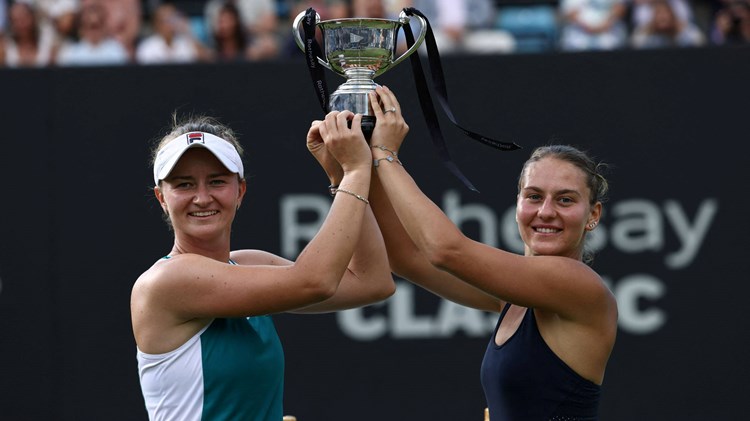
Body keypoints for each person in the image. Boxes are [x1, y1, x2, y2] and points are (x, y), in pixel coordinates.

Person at [366, 86, 618, 420]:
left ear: (594, 215)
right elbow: (406, 256)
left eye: (565, 199)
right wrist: (358, 166)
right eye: (533, 196)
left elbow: (445, 250)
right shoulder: (512, 299)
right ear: (517, 204)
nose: (545, 211)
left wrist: (386, 155)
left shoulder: (577, 284)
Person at [131, 113, 394, 419]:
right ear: (162, 198)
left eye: (216, 181)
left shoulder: (247, 263)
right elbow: (315, 281)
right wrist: (355, 170)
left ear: (240, 191)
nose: (202, 198)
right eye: (184, 185)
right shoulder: (167, 280)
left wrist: (340, 176)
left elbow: (372, 282)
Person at [135, 2, 211, 64]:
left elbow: (208, 58)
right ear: (157, 24)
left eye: (173, 19)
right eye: (166, 20)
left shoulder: (185, 43)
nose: (171, 24)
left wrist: (187, 33)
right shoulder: (147, 47)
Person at [631, 0, 706, 48]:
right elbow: (635, 44)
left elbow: (700, 41)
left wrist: (681, 27)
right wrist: (649, 29)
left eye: (665, 14)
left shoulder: (682, 30)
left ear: (672, 15)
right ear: (653, 17)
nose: (662, 18)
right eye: (659, 14)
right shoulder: (647, 33)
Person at [559, 0, 629, 51]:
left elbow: (620, 7)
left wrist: (604, 25)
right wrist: (588, 27)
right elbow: (569, 12)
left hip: (609, 38)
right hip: (578, 40)